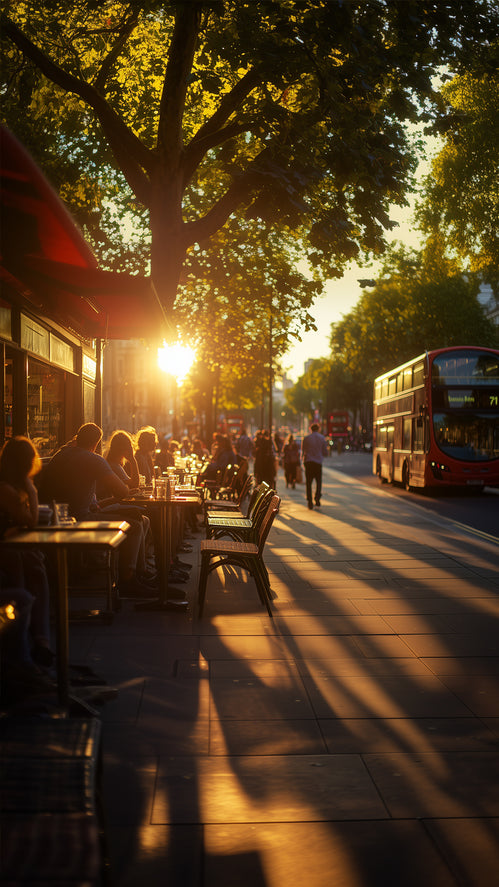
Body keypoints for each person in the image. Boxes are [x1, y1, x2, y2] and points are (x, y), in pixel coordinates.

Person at [38, 423, 154, 597]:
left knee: (134, 516)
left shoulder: (60, 454)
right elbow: (122, 492)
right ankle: (128, 579)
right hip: (79, 520)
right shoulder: (94, 459)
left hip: (50, 518)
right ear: (96, 444)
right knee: (135, 525)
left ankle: (136, 573)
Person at [0, 436, 54, 666]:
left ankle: (37, 638)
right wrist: (32, 490)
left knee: (33, 561)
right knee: (31, 563)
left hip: (13, 547)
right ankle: (37, 639)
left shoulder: (9, 486)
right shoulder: (7, 490)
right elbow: (31, 521)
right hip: (7, 550)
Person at [301, 422, 328, 509]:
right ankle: (317, 498)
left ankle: (309, 501)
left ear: (310, 429)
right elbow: (325, 452)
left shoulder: (306, 438)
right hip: (318, 462)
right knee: (318, 482)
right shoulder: (322, 438)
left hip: (308, 462)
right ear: (318, 429)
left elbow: (303, 450)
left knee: (308, 483)